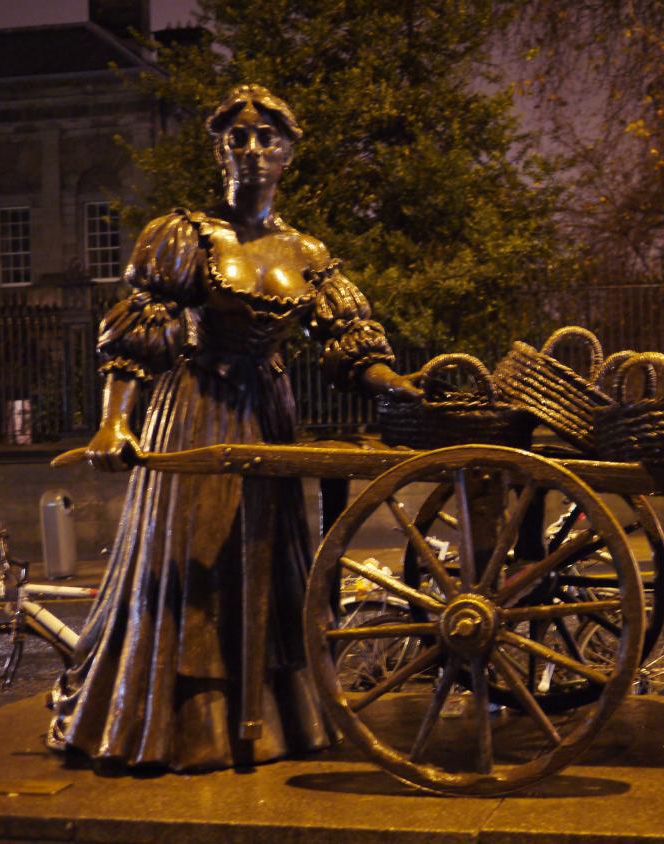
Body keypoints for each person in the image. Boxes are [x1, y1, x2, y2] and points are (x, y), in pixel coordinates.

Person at [48, 84, 419, 771]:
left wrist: (397, 385)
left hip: (269, 416)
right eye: (236, 137)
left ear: (289, 152)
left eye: (266, 137)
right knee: (194, 562)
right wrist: (113, 424)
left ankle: (280, 722)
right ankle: (181, 724)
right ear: (220, 150)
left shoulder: (307, 252)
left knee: (272, 562)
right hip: (196, 411)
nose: (251, 149)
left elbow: (349, 343)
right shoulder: (182, 235)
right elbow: (141, 333)